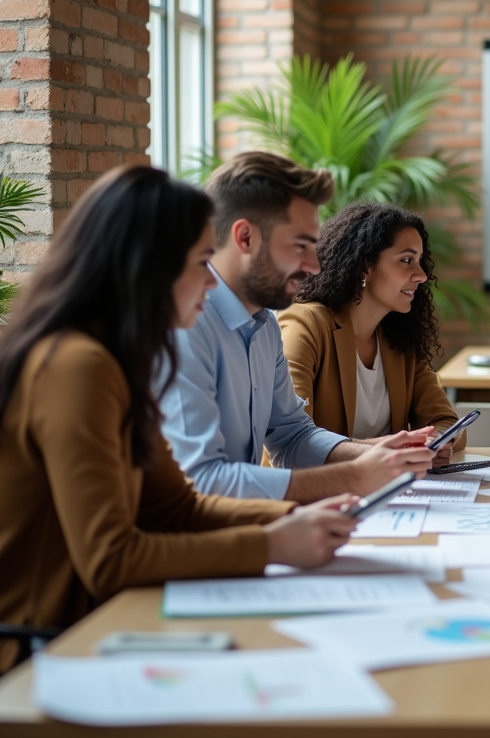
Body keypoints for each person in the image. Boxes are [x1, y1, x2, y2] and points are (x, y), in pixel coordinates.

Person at [0, 167, 362, 674]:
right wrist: (272, 543)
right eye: (198, 262)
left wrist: (289, 521)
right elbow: (110, 560)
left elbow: (175, 507)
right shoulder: (76, 365)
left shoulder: (118, 360)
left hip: (90, 629)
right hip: (40, 653)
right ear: (146, 267)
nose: (209, 279)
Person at [158, 152, 435, 503]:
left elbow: (291, 436)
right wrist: (354, 475)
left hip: (237, 530)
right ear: (245, 238)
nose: (314, 266)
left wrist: (372, 454)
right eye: (300, 245)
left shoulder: (264, 325)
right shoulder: (185, 323)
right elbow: (201, 480)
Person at [278, 203, 464, 459]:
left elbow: (447, 421)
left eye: (420, 262)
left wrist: (436, 439)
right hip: (320, 493)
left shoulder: (399, 338)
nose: (421, 275)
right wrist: (385, 451)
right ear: (365, 266)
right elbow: (291, 442)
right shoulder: (306, 325)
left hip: (394, 491)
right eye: (406, 260)